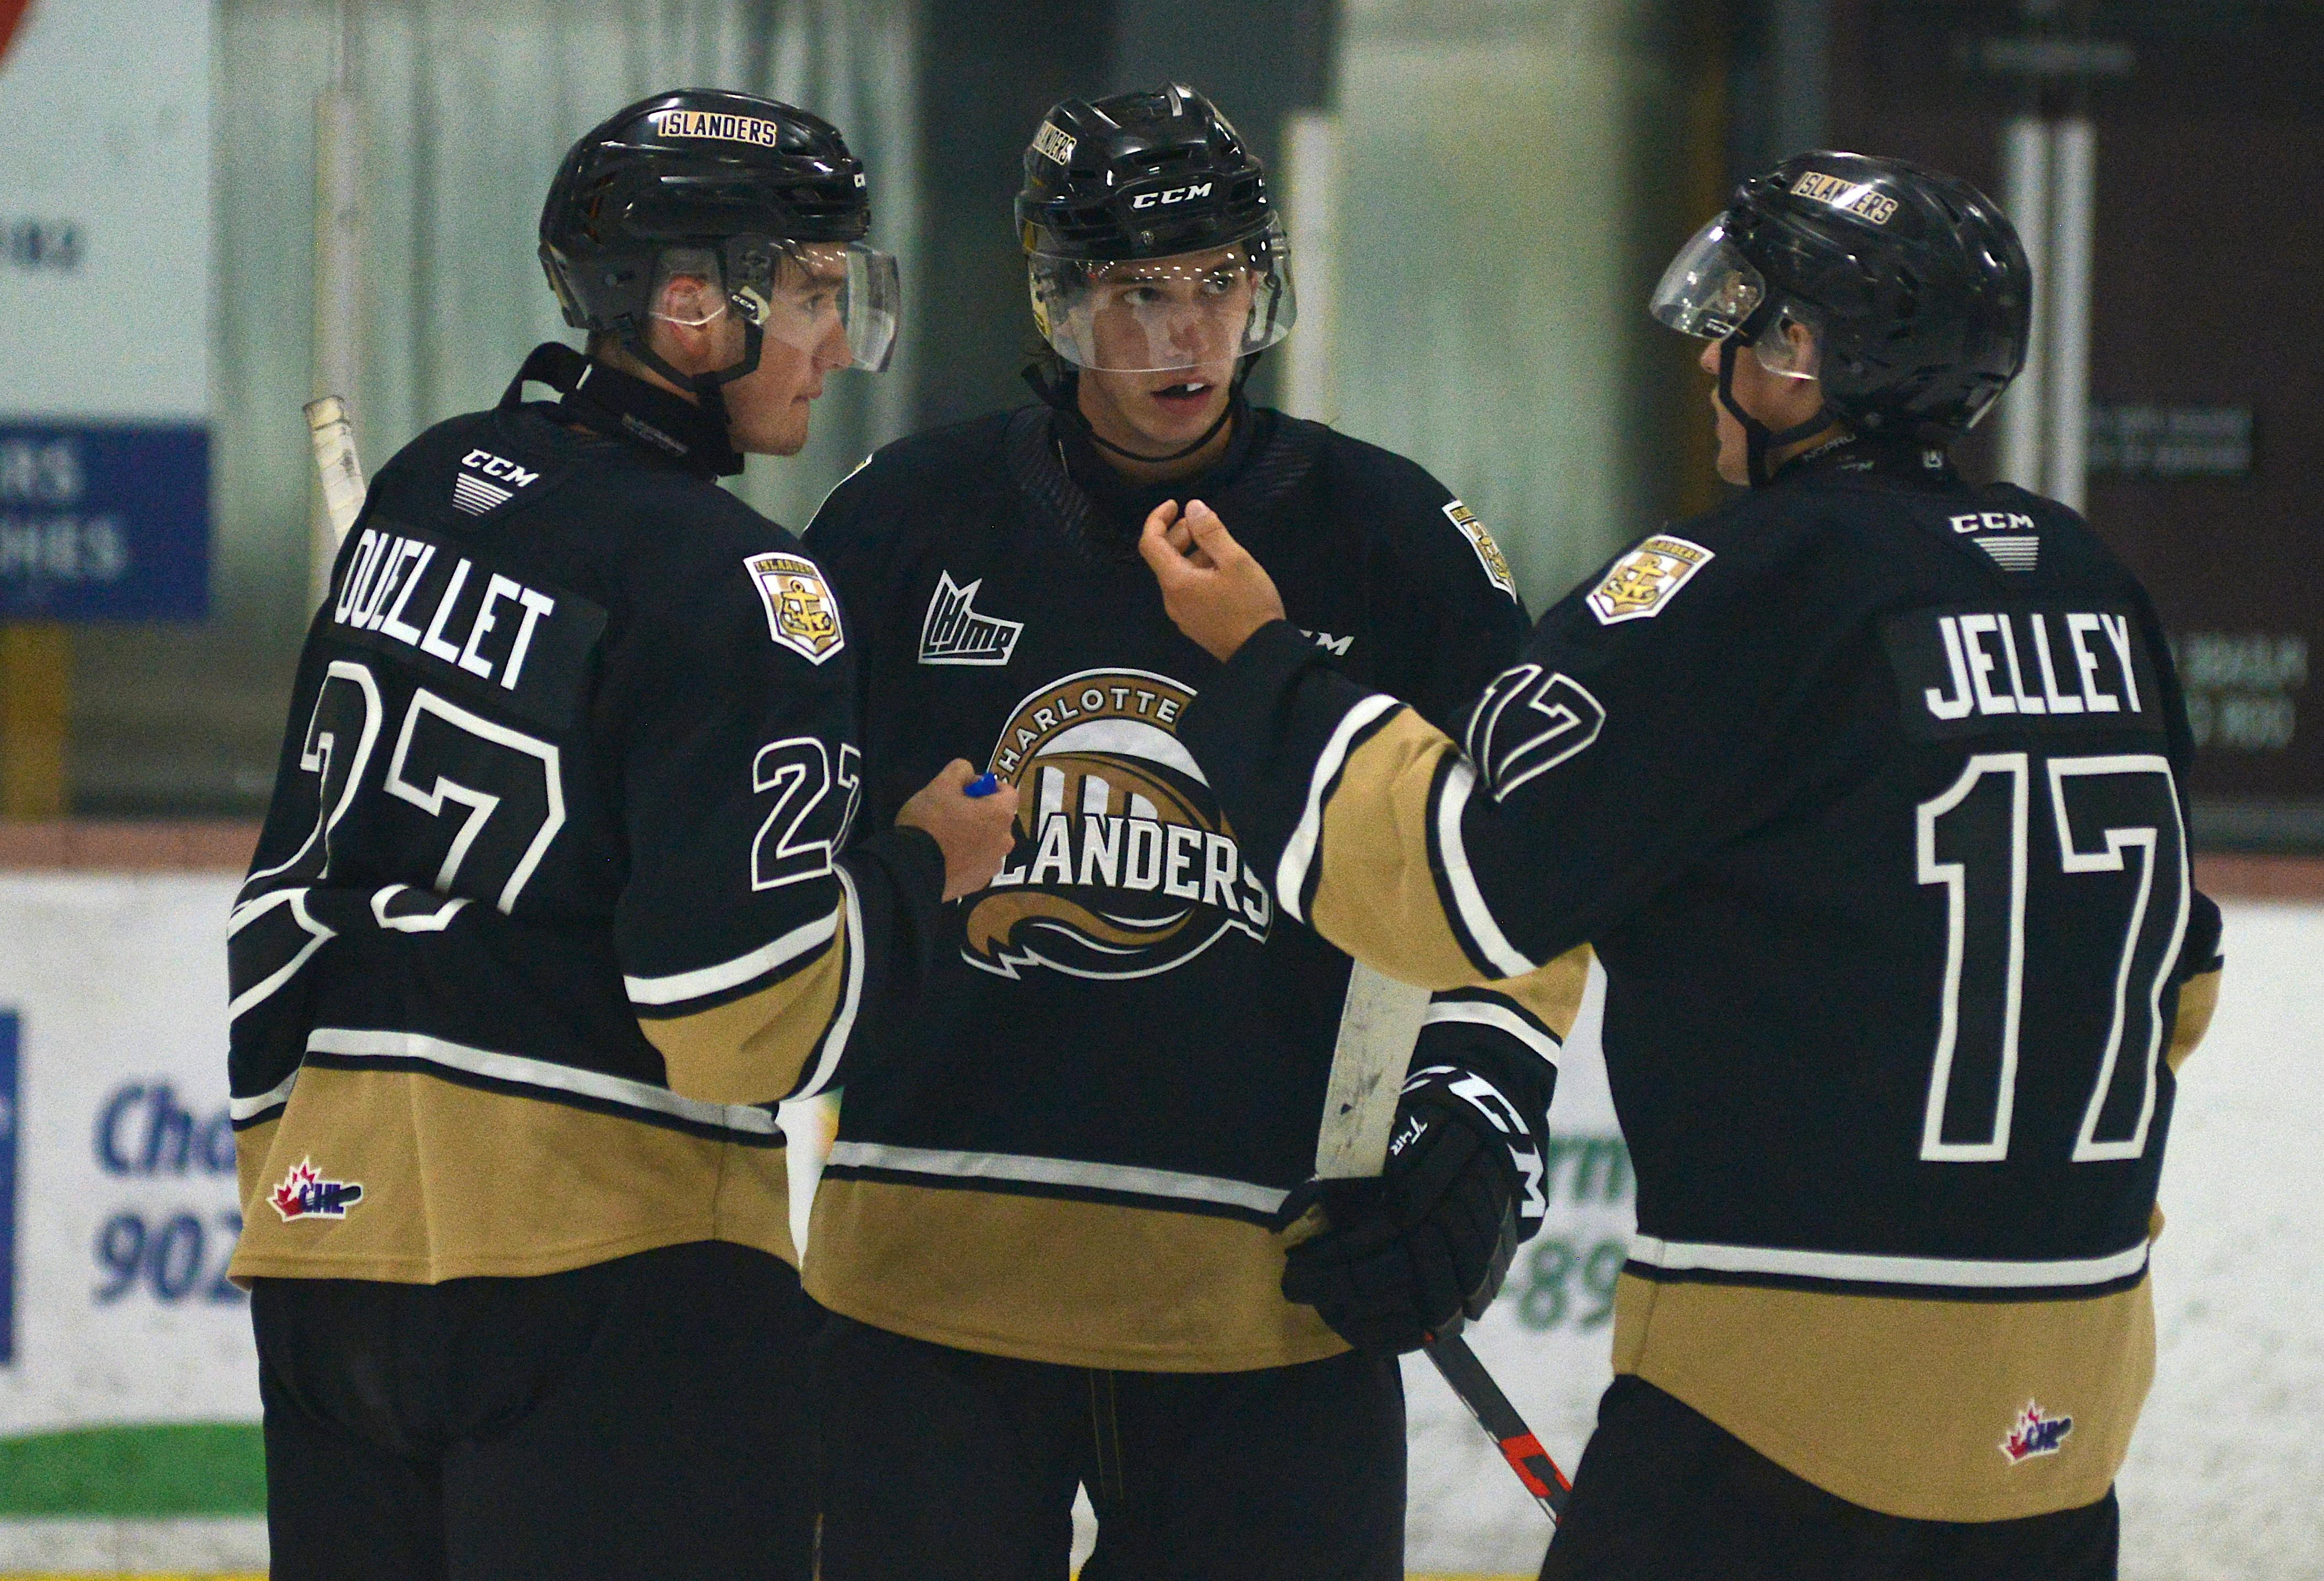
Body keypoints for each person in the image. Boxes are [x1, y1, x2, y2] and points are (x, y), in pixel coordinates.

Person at [1141, 150, 2225, 1581]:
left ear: (1796, 358)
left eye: (1744, 318)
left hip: (1783, 1407)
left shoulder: (1741, 585)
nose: (1710, 349)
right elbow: (2177, 978)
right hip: (2062, 1414)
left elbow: (1457, 883)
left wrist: (1263, 670)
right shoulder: (2091, 583)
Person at [800, 82, 1589, 1580]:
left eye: (1220, 283)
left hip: (1268, 1308)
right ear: (1059, 297)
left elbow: (1523, 875)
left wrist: (1477, 1127)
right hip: (925, 1300)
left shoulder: (1394, 541)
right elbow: (771, 857)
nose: (1187, 336)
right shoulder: (898, 526)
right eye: (1138, 292)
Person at [225, 89, 1016, 1581]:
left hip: (327, 1245)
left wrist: (302, 1177)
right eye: (809, 291)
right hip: (608, 1273)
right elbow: (738, 1023)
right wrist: (922, 874)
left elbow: (281, 893)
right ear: (685, 301)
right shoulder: (743, 582)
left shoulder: (422, 488)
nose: (836, 342)